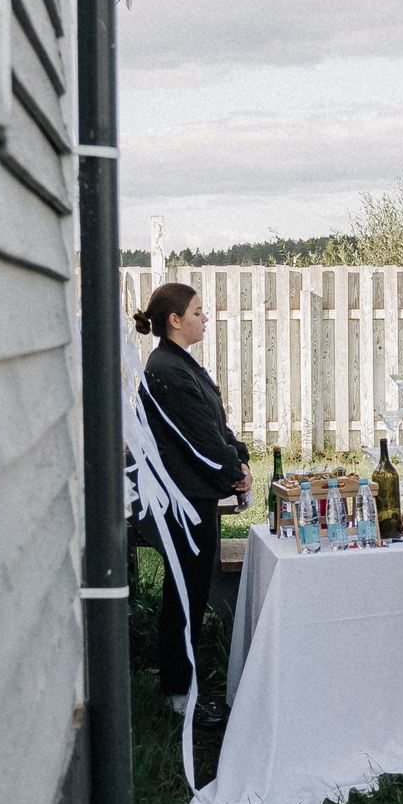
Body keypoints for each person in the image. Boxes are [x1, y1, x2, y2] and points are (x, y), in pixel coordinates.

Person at [133, 282, 250, 712]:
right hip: (181, 501)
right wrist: (233, 474)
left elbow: (217, 426)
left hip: (196, 497)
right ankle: (178, 695)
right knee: (184, 596)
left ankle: (185, 688)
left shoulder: (182, 365)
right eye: (197, 312)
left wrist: (240, 459)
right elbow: (197, 440)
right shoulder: (164, 370)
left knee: (193, 592)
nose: (205, 318)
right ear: (174, 321)